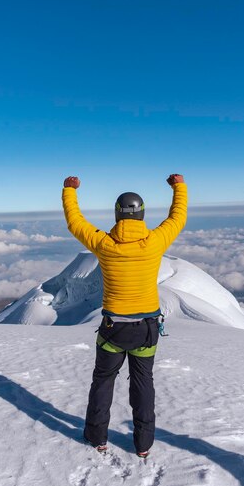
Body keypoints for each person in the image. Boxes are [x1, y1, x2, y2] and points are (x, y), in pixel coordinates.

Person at [62, 174, 188, 457]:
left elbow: (75, 223)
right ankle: (143, 445)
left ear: (117, 214)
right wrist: (178, 186)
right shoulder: (155, 242)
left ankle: (97, 438)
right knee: (144, 384)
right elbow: (177, 217)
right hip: (146, 329)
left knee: (103, 381)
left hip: (113, 329)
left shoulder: (105, 244)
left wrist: (69, 190)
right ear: (142, 214)